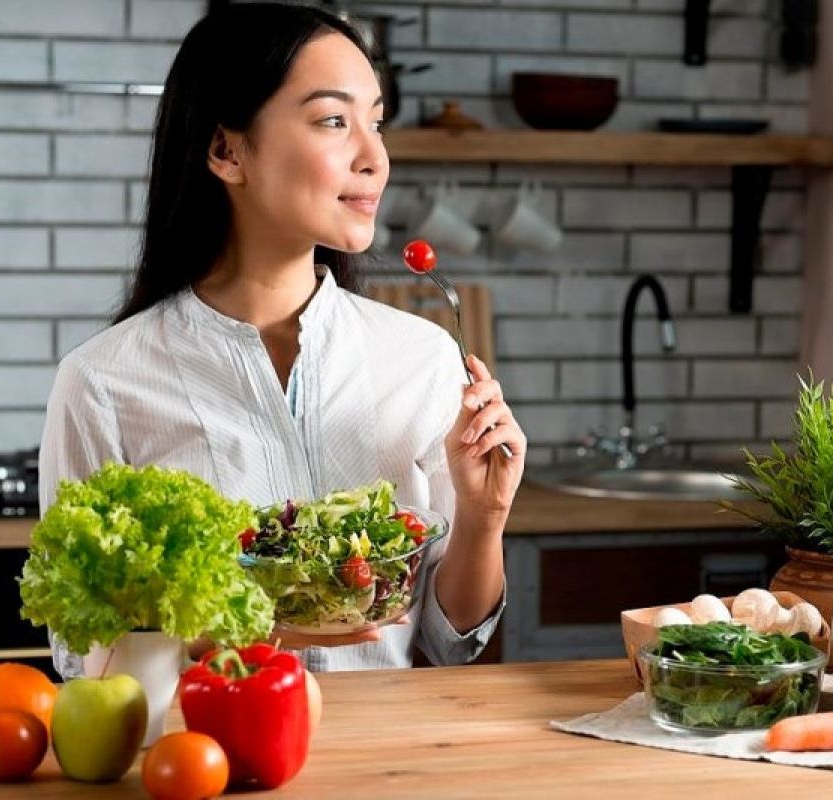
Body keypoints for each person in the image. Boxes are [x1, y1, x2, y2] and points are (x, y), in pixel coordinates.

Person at [40, 2, 525, 674]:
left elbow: (449, 642)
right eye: (333, 120)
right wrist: (253, 626)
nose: (374, 158)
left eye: (376, 123)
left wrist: (483, 516)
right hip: (207, 766)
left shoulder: (422, 358)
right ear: (227, 150)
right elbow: (82, 654)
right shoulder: (103, 381)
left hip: (389, 767)